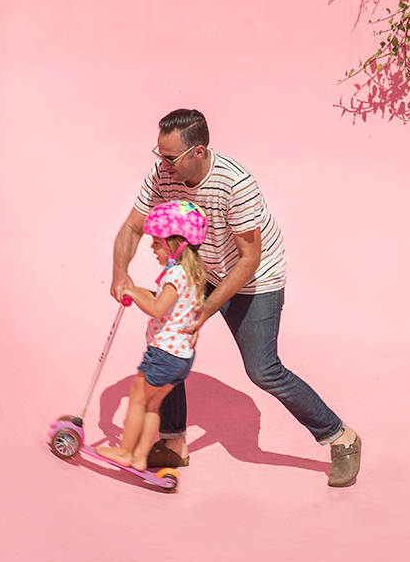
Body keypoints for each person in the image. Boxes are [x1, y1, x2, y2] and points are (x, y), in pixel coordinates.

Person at [111, 109, 361, 487]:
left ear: (198, 152)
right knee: (169, 345)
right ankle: (173, 442)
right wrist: (120, 273)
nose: (162, 165)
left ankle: (340, 437)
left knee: (263, 369)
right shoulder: (165, 173)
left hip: (255, 277)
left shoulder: (235, 183)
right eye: (159, 155)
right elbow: (133, 225)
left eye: (170, 157)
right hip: (203, 269)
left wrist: (205, 311)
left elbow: (249, 260)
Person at [97, 200, 208, 472]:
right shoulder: (192, 275)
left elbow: (158, 309)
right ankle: (139, 457)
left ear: (175, 244)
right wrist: (135, 288)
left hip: (163, 353)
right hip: (181, 357)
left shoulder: (175, 274)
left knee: (137, 399)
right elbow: (163, 300)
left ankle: (124, 451)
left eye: (157, 242)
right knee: (151, 407)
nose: (152, 247)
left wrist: (133, 294)